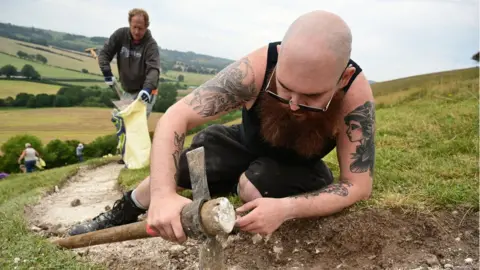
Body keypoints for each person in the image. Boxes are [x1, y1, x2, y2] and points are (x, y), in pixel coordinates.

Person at [68, 10, 376, 243]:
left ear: (342, 79)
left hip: (297, 168)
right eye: (283, 88)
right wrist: (163, 194)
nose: (293, 104)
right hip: (243, 143)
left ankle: (238, 185)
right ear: (280, 58)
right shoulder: (256, 69)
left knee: (254, 185)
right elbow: (176, 117)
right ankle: (122, 210)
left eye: (310, 96)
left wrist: (286, 209)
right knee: (186, 164)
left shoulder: (355, 98)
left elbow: (358, 185)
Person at [97, 8, 161, 164]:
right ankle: (126, 155)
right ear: (129, 24)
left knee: (137, 124)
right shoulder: (120, 36)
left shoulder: (151, 46)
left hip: (146, 92)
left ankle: (138, 159)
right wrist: (107, 72)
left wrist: (146, 90)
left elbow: (153, 70)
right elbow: (104, 54)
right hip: (126, 90)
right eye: (134, 27)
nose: (137, 31)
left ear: (147, 27)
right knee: (124, 122)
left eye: (141, 28)